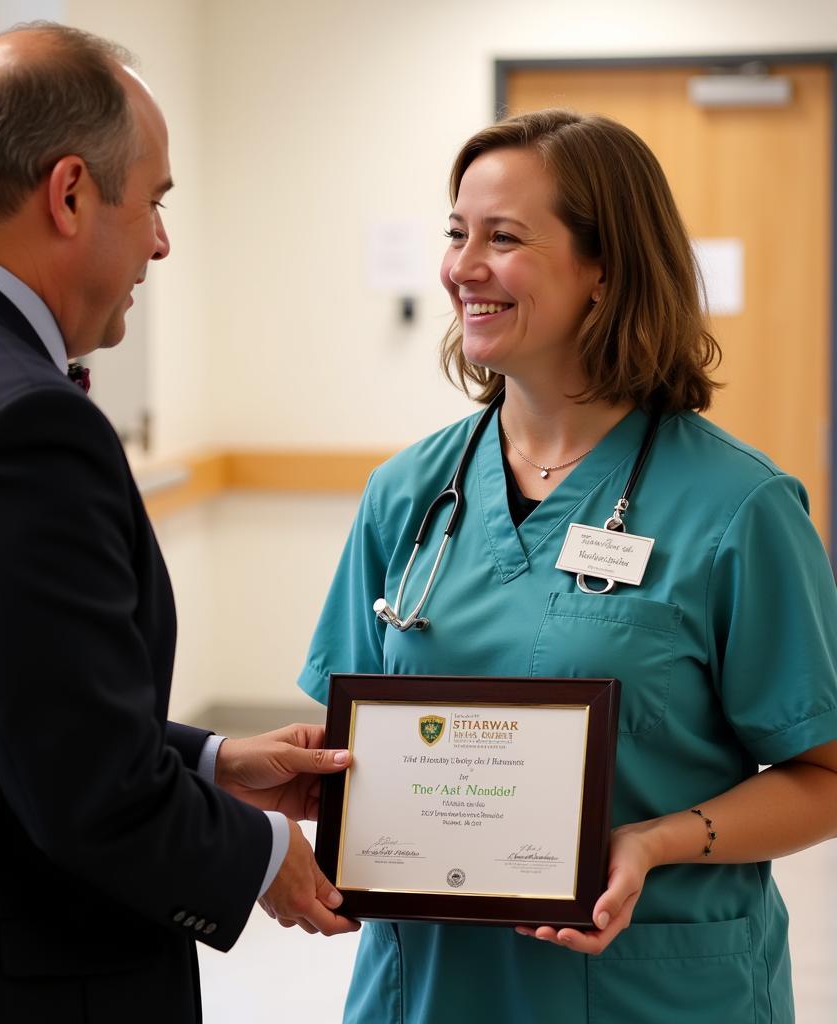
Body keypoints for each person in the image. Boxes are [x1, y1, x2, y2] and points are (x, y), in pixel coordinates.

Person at [0, 22, 357, 1024]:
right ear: (69, 193)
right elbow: (86, 793)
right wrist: (268, 856)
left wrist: (205, 760)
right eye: (152, 201)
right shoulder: (22, 423)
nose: (160, 240)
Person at [298, 109, 837, 1023]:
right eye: (456, 233)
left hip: (649, 988)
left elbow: (823, 776)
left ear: (606, 269)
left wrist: (656, 842)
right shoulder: (408, 493)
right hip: (426, 988)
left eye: (503, 238)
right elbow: (351, 737)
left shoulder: (737, 508)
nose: (462, 266)